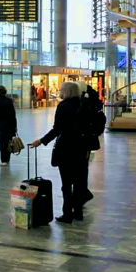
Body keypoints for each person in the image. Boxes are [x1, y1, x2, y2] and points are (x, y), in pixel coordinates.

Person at [31, 82, 87, 224]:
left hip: (66, 148)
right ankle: (78, 211)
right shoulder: (84, 105)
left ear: (67, 91)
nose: (60, 91)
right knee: (79, 182)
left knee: (66, 183)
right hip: (81, 147)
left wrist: (42, 141)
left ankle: (67, 214)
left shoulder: (63, 106)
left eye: (62, 89)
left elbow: (57, 129)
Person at [0, 86, 17, 166]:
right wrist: (15, 127)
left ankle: (3, 160)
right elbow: (13, 115)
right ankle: (7, 158)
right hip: (9, 125)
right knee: (8, 142)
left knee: (2, 143)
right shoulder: (9, 101)